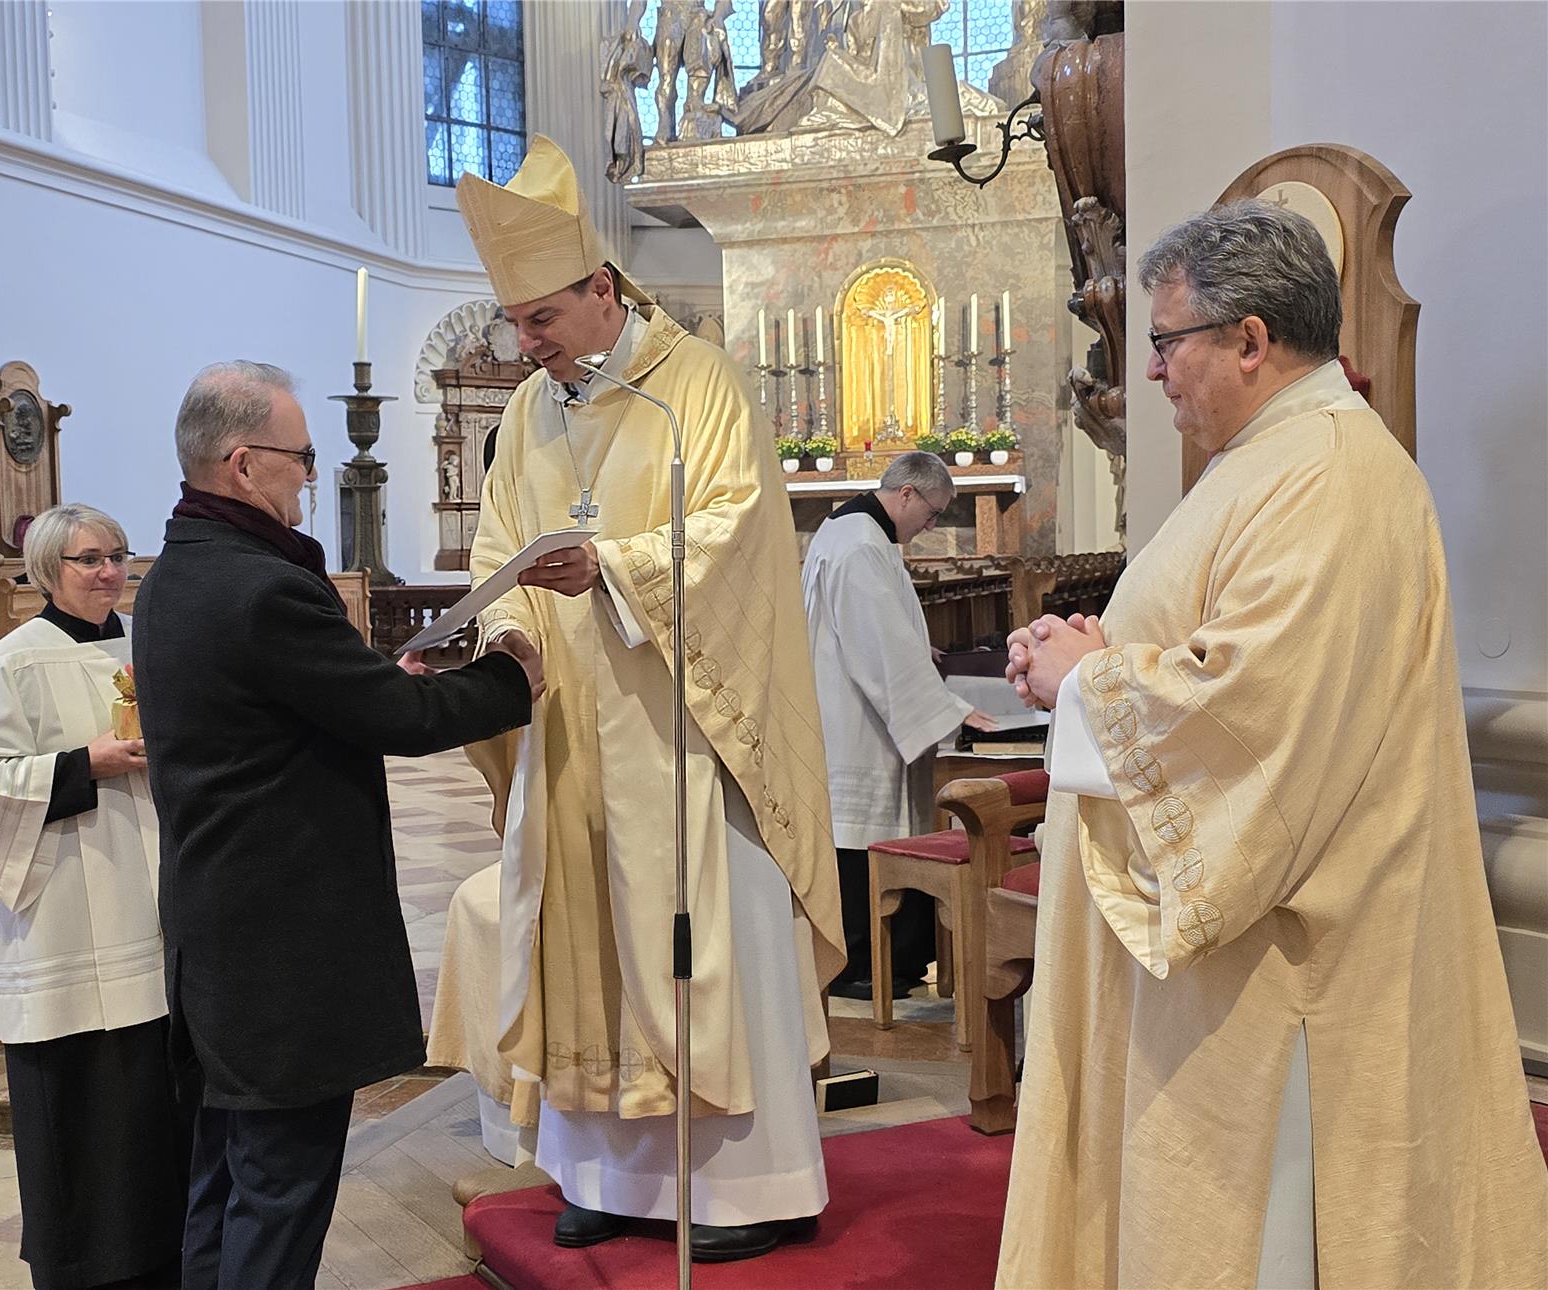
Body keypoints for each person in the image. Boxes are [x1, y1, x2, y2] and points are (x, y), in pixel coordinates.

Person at [997, 199, 1548, 1288]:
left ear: (1250, 341)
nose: (1148, 372)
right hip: (1227, 977)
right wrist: (1097, 653)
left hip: (1287, 975)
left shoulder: (1330, 475)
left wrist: (1087, 681)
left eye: (1163, 343)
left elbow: (1258, 717)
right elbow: (1217, 655)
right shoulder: (1271, 459)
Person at [452, 134, 843, 1264]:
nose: (526, 347)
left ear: (602, 290)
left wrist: (612, 568)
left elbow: (733, 540)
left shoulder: (698, 392)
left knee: (696, 940)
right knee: (579, 940)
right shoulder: (530, 413)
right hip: (573, 725)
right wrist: (507, 638)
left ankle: (746, 1189)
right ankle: (608, 1176)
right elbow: (498, 547)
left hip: (680, 731)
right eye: (517, 324)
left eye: (542, 321)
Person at [134, 360, 541, 1290]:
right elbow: (402, 722)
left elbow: (298, 705)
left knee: (222, 1180)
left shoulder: (176, 576)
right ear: (244, 464)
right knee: (279, 1190)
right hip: (281, 947)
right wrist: (514, 674)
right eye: (301, 456)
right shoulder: (260, 588)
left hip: (215, 929)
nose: (310, 474)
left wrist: (367, 687)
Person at [0, 503, 183, 1289]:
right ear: (48, 570)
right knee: (80, 1095)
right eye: (88, 559)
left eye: (117, 554)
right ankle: (82, 1262)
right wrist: (86, 764)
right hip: (67, 905)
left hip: (146, 892)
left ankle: (161, 1253)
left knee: (153, 1088)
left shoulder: (148, 645)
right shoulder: (15, 660)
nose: (109, 571)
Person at [800, 450, 995, 999]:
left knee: (871, 835)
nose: (929, 526)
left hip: (855, 709)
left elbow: (874, 624)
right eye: (932, 513)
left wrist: (918, 646)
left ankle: (890, 961)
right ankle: (861, 965)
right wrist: (948, 710)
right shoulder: (861, 542)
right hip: (857, 722)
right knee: (866, 839)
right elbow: (877, 646)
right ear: (906, 493)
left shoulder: (855, 531)